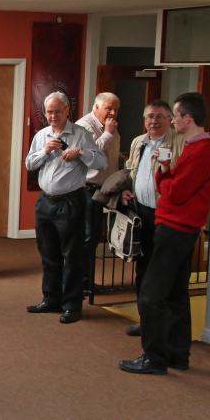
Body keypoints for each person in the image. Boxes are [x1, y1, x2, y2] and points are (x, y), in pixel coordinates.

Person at [120, 92, 210, 375]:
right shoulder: (192, 148)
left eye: (174, 115)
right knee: (176, 294)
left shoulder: (201, 151)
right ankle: (178, 354)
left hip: (175, 228)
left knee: (151, 294)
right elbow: (173, 184)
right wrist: (166, 171)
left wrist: (165, 177)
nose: (173, 120)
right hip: (180, 228)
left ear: (188, 119)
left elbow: (174, 193)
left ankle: (154, 358)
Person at [25, 92, 105, 324]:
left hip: (71, 201)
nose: (52, 116)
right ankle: (51, 299)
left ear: (67, 111)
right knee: (48, 252)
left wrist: (81, 153)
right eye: (49, 112)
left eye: (57, 111)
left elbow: (101, 162)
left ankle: (72, 305)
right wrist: (45, 151)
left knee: (72, 255)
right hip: (46, 201)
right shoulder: (42, 135)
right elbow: (29, 163)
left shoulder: (81, 134)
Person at [120, 100, 184, 337]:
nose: (153, 121)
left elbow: (180, 177)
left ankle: (163, 325)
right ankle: (146, 319)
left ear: (170, 120)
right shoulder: (139, 142)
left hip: (166, 216)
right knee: (143, 269)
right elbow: (130, 170)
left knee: (163, 273)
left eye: (159, 116)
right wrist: (127, 189)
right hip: (142, 212)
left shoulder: (180, 142)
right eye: (149, 117)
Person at [76, 92, 121, 288]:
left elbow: (111, 153)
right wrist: (109, 133)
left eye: (116, 109)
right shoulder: (85, 126)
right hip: (87, 188)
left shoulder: (109, 126)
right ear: (96, 107)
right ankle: (82, 282)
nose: (112, 113)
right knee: (87, 236)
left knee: (93, 236)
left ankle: (86, 280)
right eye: (108, 108)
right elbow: (91, 155)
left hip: (104, 188)